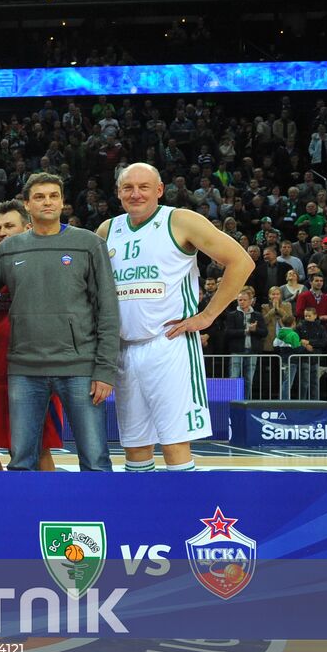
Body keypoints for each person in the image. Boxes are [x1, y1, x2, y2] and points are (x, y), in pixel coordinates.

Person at [99, 163, 253, 472]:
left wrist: (208, 315)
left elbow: (241, 261)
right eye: (128, 188)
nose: (136, 193)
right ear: (118, 193)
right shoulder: (106, 230)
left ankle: (184, 518)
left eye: (144, 187)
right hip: (124, 348)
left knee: (175, 443)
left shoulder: (180, 220)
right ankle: (143, 517)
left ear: (159, 190)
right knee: (135, 445)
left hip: (169, 345)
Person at [0, 172, 119, 471]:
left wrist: (105, 369)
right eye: (39, 196)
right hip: (25, 368)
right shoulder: (11, 248)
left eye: (53, 195)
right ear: (28, 204)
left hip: (80, 368)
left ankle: (99, 516)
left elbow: (108, 309)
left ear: (62, 201)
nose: (47, 202)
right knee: (22, 460)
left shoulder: (88, 244)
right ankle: (23, 518)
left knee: (96, 460)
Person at [0, 201, 63, 472]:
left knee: (35, 448)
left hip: (34, 373)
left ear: (27, 228)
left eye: (9, 226)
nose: (1, 233)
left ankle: (45, 507)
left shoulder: (46, 268)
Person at [222, 288, 267, 390]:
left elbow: (265, 332)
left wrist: (255, 330)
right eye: (240, 300)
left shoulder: (257, 315)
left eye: (244, 300)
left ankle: (246, 403)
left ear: (251, 301)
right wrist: (244, 331)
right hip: (237, 351)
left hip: (252, 351)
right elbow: (228, 332)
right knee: (234, 377)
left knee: (248, 379)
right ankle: (233, 402)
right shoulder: (232, 315)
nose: (242, 302)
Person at [294, 305, 327, 398]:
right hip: (304, 357)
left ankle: (315, 402)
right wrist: (305, 346)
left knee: (315, 382)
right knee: (304, 382)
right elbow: (297, 341)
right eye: (305, 316)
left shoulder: (320, 327)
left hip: (316, 357)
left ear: (315, 316)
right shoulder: (299, 326)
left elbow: (324, 341)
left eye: (309, 316)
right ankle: (302, 402)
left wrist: (310, 342)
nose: (307, 318)